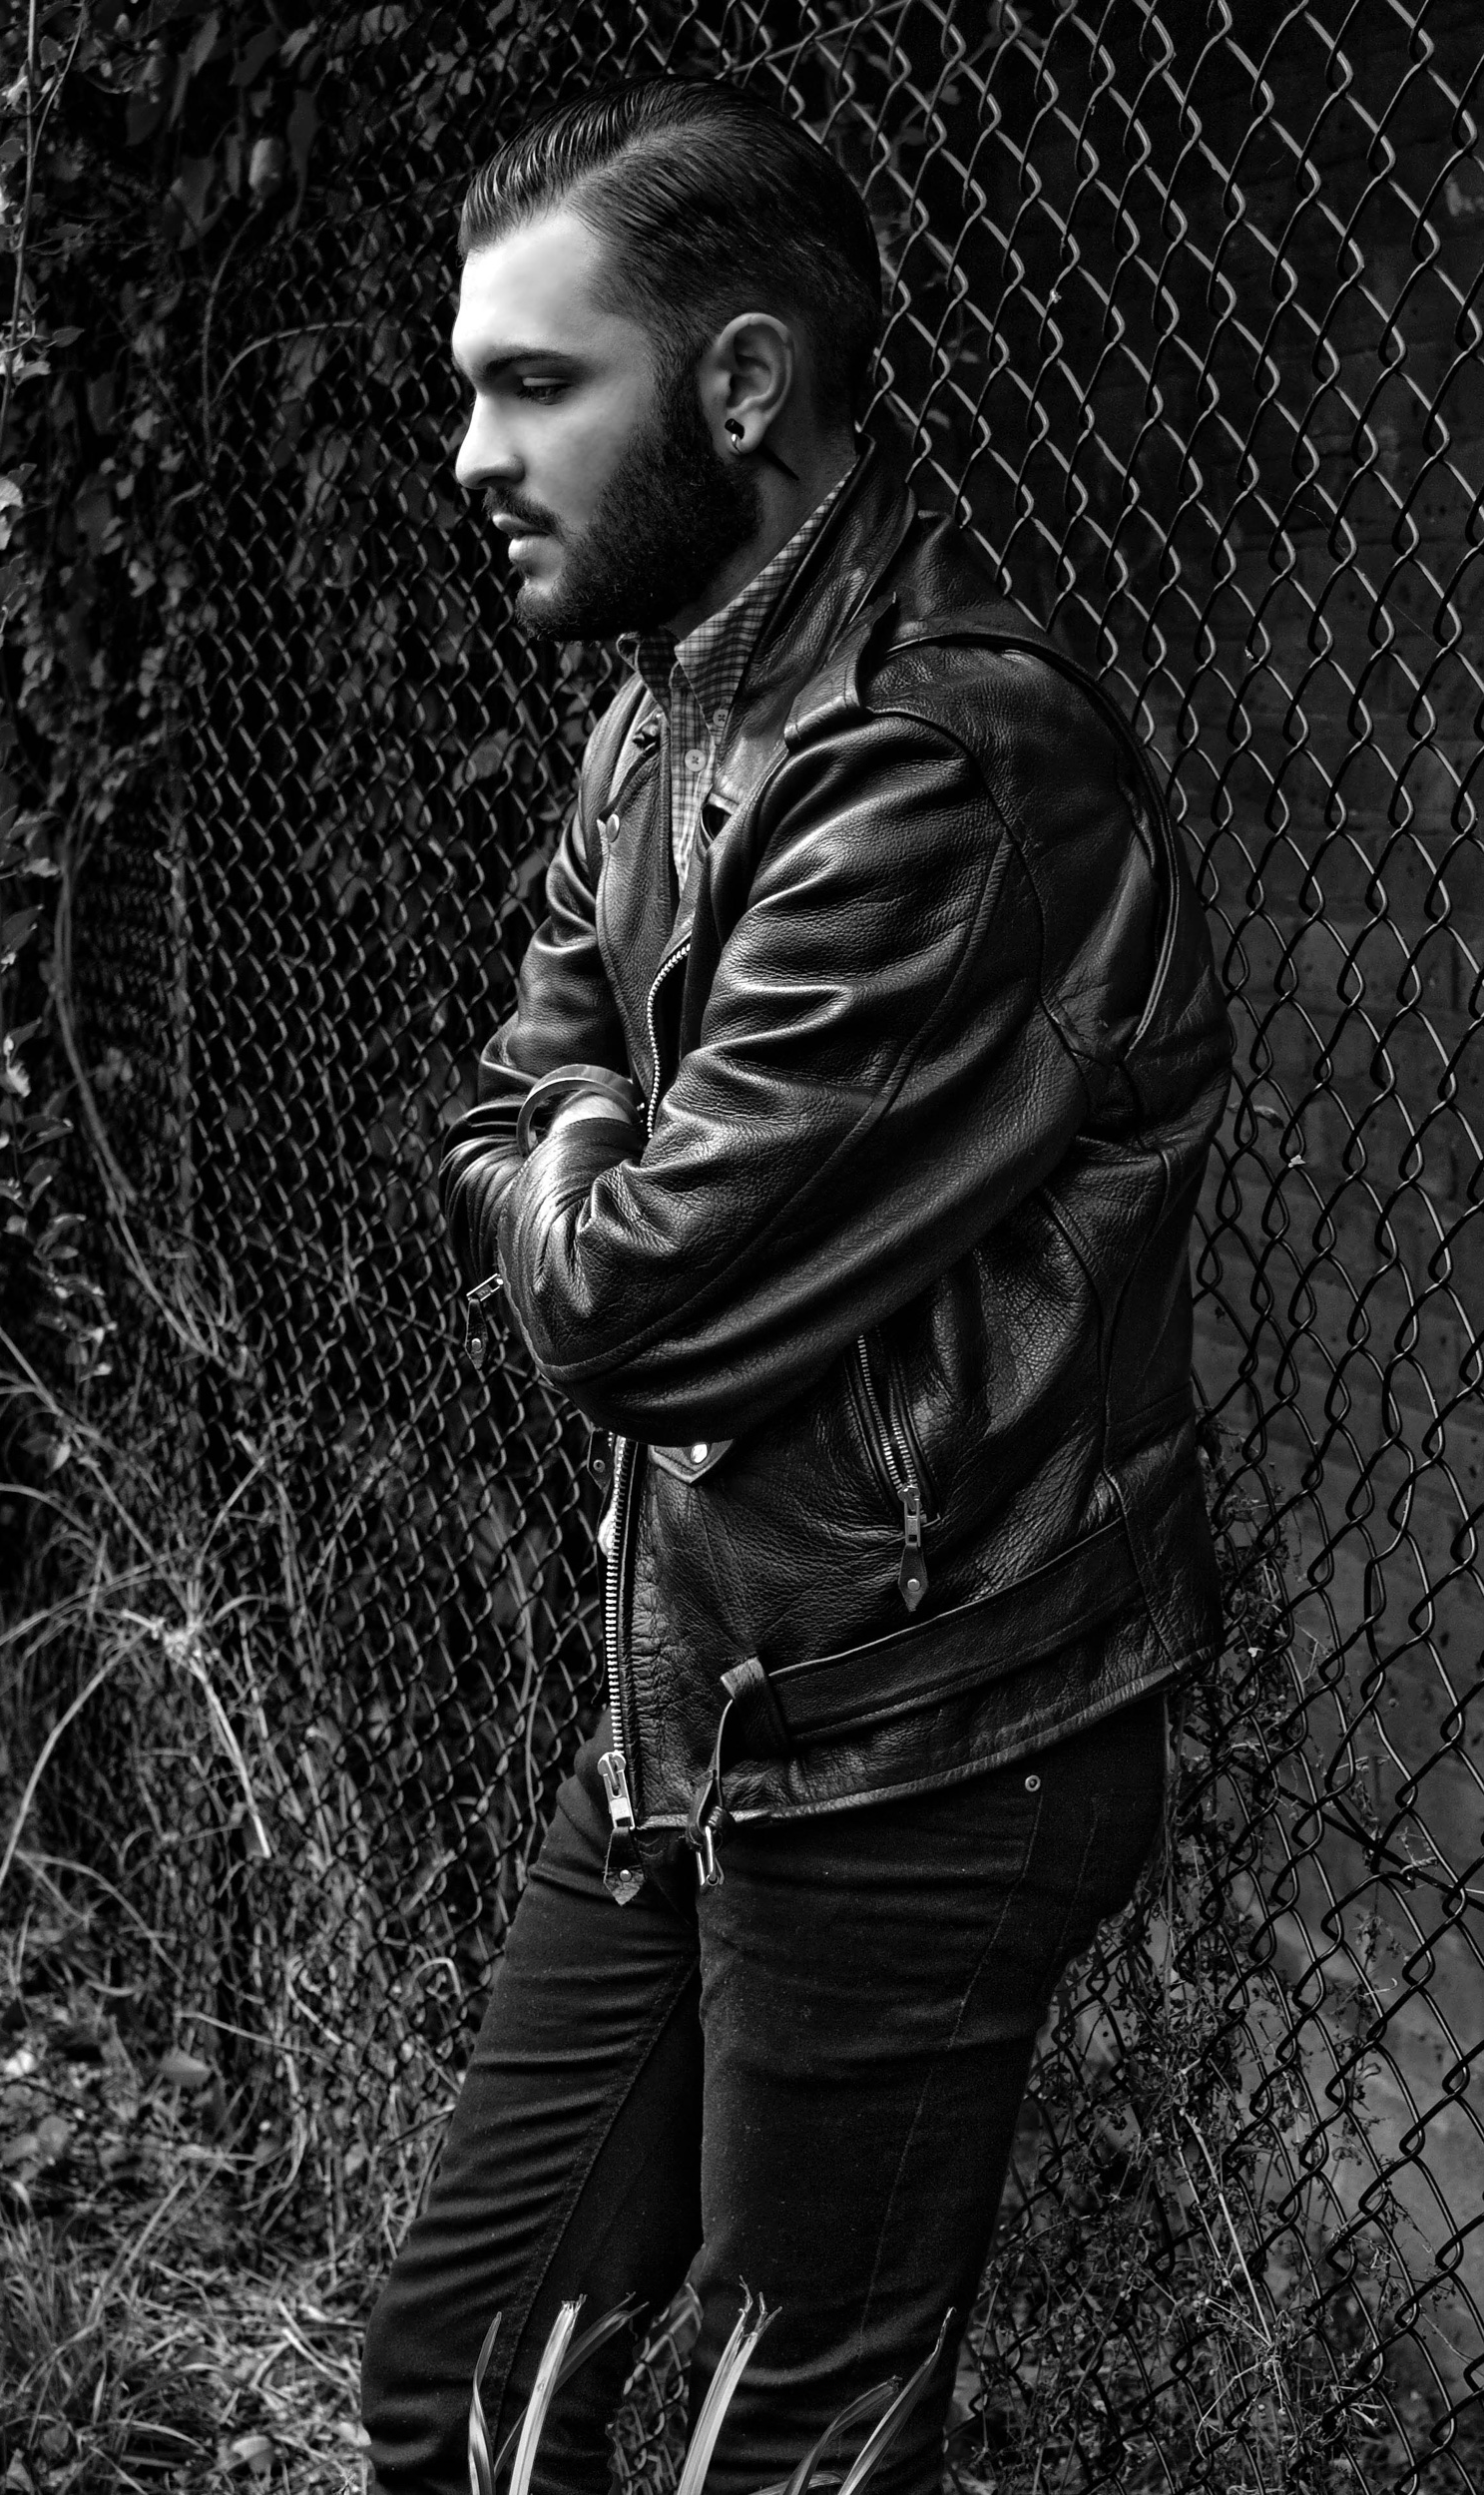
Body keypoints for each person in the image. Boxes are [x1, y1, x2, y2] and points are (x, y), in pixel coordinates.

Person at [361, 75, 1232, 2494]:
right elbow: (524, 1067)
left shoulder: (932, 766)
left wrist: (551, 1166)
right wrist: (564, 1147)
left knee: (787, 2436)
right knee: (459, 2375)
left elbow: (620, 1306)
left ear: (738, 387)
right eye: (471, 384)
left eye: (534, 382)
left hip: (923, 1722)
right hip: (705, 1677)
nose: (468, 451)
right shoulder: (667, 702)